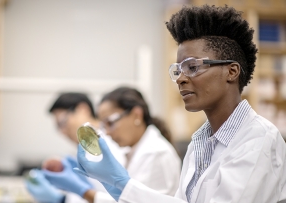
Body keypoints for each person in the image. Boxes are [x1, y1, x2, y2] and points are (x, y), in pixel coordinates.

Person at [74, 5, 286, 203]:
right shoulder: (199, 142)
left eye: (192, 67)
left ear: (231, 71)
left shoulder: (259, 140)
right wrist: (121, 186)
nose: (180, 78)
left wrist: (124, 185)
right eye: (178, 70)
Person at [25, 92, 126, 203]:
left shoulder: (110, 144)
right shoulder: (85, 149)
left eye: (62, 122)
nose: (63, 132)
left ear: (83, 109)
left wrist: (62, 199)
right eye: (58, 127)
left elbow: (116, 199)